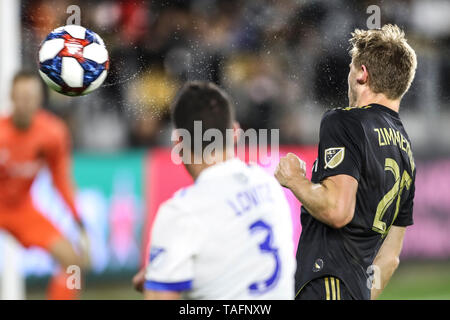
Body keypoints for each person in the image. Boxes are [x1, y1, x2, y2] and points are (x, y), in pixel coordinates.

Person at [274, 24, 417, 300]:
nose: (349, 76)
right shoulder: (405, 151)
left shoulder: (345, 121)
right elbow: (390, 258)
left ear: (363, 73)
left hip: (326, 283)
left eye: (351, 68)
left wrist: (294, 180)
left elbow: (337, 210)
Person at [134, 81, 295, 299]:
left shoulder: (182, 212)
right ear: (236, 132)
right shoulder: (269, 185)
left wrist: (157, 283)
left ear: (179, 142)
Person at [0, 71, 86, 299]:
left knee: (73, 263)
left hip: (22, 210)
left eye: (31, 96)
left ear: (40, 99)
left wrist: (80, 224)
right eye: (21, 96)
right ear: (11, 97)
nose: (26, 102)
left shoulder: (52, 133)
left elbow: (61, 180)